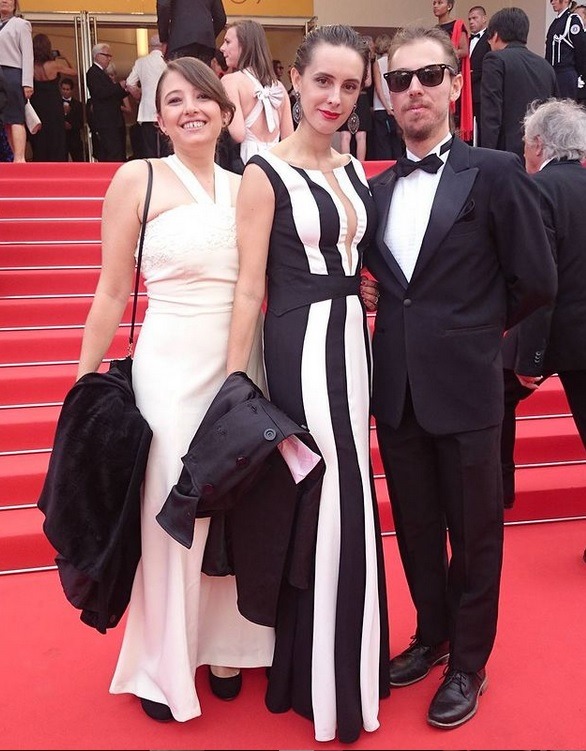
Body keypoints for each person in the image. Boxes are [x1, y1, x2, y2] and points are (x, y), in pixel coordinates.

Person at [367, 25, 556, 729]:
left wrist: (477, 329)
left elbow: (536, 280)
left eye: (427, 75)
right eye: (399, 80)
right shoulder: (377, 190)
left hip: (470, 388)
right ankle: (432, 632)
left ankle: (470, 662)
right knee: (416, 527)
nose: (413, 89)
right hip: (399, 392)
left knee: (476, 534)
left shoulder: (499, 170)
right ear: (387, 97)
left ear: (453, 83)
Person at [76, 56, 275, 724]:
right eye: (174, 99)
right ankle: (165, 658)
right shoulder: (138, 177)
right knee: (168, 514)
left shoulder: (247, 181)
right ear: (159, 117)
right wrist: (82, 383)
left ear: (225, 109)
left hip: (238, 361)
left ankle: (227, 645)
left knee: (233, 504)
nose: (191, 108)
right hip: (166, 368)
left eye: (202, 97)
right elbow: (110, 291)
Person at [225, 24, 390, 745]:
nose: (336, 98)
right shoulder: (264, 173)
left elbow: (361, 263)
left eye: (350, 86)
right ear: (295, 78)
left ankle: (339, 661)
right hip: (303, 345)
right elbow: (247, 287)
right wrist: (234, 382)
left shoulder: (353, 170)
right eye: (324, 81)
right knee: (331, 494)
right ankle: (326, 678)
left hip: (352, 342)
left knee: (349, 491)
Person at [500, 97, 586, 510]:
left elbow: (541, 281)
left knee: (495, 395)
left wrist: (529, 358)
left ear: (537, 144)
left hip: (557, 335)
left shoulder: (537, 191)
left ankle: (497, 493)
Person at [480, 7, 558, 163]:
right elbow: (554, 113)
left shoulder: (495, 60)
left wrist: (486, 157)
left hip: (506, 156)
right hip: (541, 155)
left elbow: (491, 115)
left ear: (495, 35)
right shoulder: (546, 66)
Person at [220, 19, 293, 170]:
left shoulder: (231, 81)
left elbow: (238, 134)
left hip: (246, 165)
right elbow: (289, 140)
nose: (222, 48)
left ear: (244, 46)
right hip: (278, 166)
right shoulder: (279, 87)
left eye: (227, 42)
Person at [29, 33, 76, 162]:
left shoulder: (30, 66)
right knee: (56, 135)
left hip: (37, 104)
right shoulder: (54, 65)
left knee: (40, 135)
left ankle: (40, 162)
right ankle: (58, 162)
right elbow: (74, 72)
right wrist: (65, 56)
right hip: (53, 105)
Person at [432, 0, 473, 141]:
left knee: (454, 113)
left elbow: (464, 50)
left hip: (453, 73)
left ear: (449, 6)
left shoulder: (458, 25)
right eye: (434, 3)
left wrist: (444, 54)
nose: (435, 6)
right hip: (439, 74)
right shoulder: (435, 28)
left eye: (439, 2)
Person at [126, 34, 170, 158]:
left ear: (151, 46)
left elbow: (129, 83)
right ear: (164, 46)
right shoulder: (168, 63)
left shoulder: (141, 62)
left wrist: (139, 95)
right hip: (166, 110)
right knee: (166, 149)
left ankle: (152, 174)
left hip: (146, 112)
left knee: (149, 150)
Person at [0, 0, 33, 162]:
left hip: (13, 73)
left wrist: (27, 82)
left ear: (15, 4)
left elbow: (28, 54)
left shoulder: (21, 24)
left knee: (15, 117)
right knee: (5, 120)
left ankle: (20, 158)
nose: (4, 1)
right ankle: (14, 155)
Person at [86, 43, 127, 161]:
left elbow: (112, 95)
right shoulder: (93, 73)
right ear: (97, 56)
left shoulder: (102, 74)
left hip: (112, 120)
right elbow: (101, 93)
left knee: (117, 151)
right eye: (106, 55)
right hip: (106, 121)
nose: (109, 59)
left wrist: (126, 89)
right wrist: (118, 86)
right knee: (112, 152)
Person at [338, 34, 373, 162]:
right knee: (361, 136)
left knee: (345, 136)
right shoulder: (365, 60)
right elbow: (368, 83)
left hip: (347, 96)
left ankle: (345, 166)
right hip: (361, 98)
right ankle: (361, 166)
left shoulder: (345, 60)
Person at [157, 0, 226, 65]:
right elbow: (220, 18)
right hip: (205, 44)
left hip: (180, 40)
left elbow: (163, 5)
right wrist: (207, 36)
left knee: (179, 75)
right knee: (201, 76)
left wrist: (164, 39)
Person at [370, 32, 404, 160]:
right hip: (394, 106)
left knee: (382, 143)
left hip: (381, 108)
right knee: (396, 141)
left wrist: (386, 107)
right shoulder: (394, 63)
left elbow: (379, 88)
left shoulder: (378, 63)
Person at [545, 0, 586, 100]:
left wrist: (580, 75)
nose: (552, 2)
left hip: (566, 74)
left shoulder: (572, 20)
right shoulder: (556, 22)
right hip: (554, 74)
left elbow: (581, 50)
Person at [468, 5, 490, 144]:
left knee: (482, 127)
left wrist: (471, 75)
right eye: (469, 19)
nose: (471, 22)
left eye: (475, 18)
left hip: (481, 91)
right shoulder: (468, 40)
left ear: (484, 19)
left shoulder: (490, 39)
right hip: (468, 93)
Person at [60, 76, 84, 161]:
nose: (65, 91)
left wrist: (71, 126)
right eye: (63, 89)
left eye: (67, 89)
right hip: (61, 139)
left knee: (78, 161)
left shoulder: (78, 105)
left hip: (74, 138)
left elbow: (81, 122)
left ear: (72, 90)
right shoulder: (56, 103)